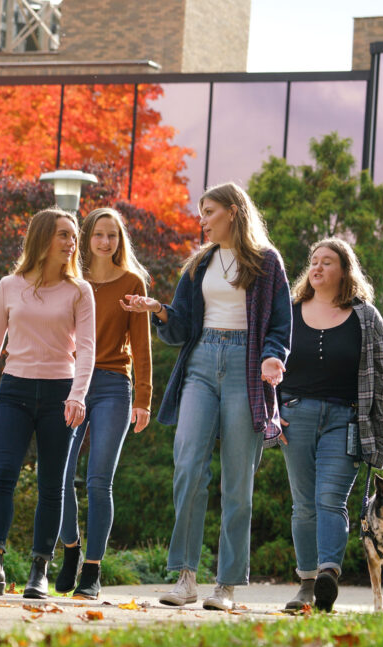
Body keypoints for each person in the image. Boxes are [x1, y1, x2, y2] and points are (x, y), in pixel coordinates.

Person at [122, 182, 291, 611]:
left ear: (233, 211)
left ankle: (226, 586)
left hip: (246, 367)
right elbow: (180, 327)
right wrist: (159, 310)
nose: (203, 221)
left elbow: (280, 325)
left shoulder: (267, 263)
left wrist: (273, 357)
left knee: (238, 481)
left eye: (210, 211)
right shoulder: (200, 262)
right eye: (202, 213)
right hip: (200, 363)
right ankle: (185, 578)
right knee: (188, 468)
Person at [0, 207, 95, 600]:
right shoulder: (9, 285)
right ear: (42, 238)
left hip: (60, 395)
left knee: (52, 485)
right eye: (63, 234)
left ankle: (40, 569)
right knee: (2, 474)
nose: (71, 242)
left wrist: (78, 395)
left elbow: (87, 350)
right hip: (14, 392)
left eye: (74, 235)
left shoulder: (79, 291)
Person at [277, 238, 383, 612]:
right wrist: (270, 412)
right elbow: (265, 361)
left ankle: (328, 573)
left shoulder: (367, 318)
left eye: (327, 261)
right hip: (294, 416)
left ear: (345, 271)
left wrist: (380, 435)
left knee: (330, 499)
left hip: (345, 420)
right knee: (303, 506)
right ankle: (306, 584)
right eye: (314, 261)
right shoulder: (287, 312)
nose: (318, 267)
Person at [53, 208, 153, 599]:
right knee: (59, 476)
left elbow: (141, 346)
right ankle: (71, 549)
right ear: (87, 238)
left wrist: (143, 399)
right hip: (71, 383)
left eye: (112, 235)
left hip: (113, 385)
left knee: (98, 481)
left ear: (119, 240)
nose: (105, 241)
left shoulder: (132, 282)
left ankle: (92, 570)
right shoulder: (71, 281)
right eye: (98, 234)